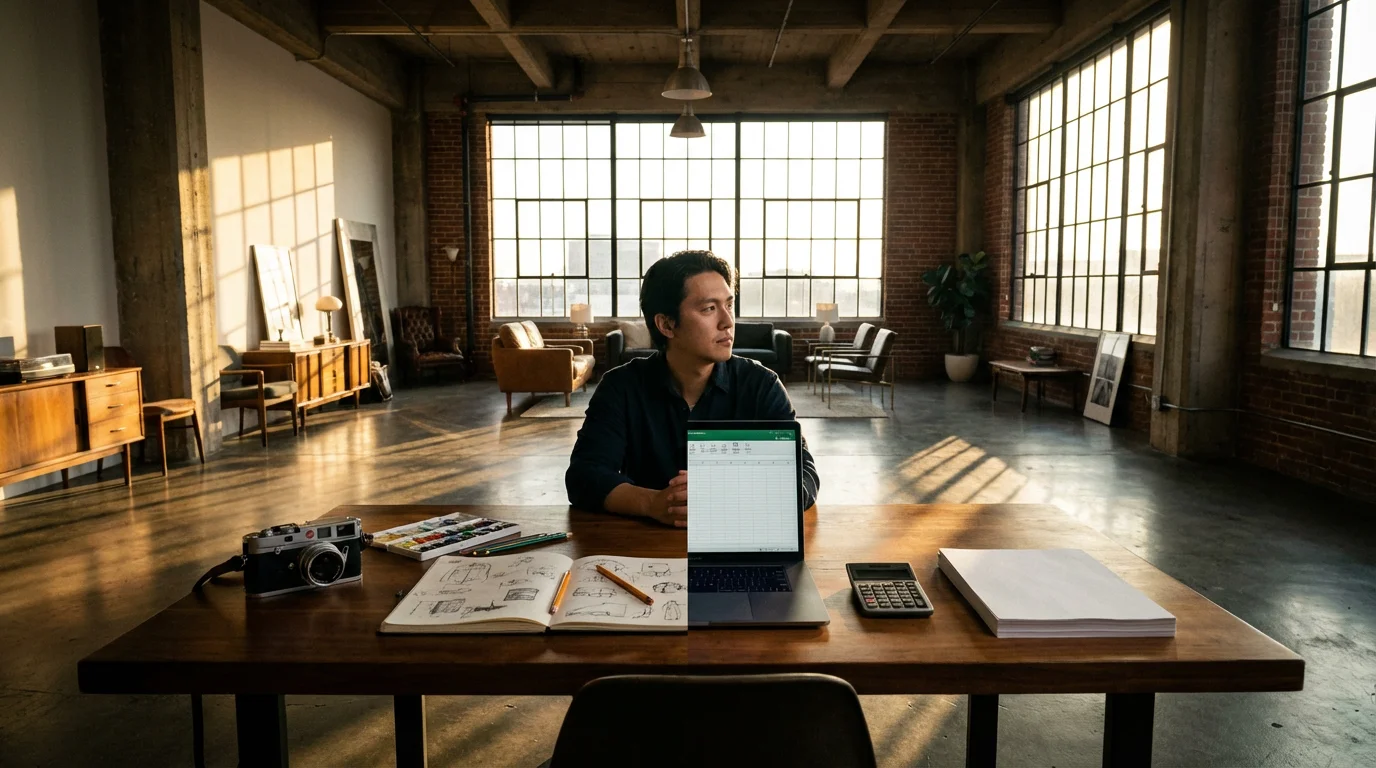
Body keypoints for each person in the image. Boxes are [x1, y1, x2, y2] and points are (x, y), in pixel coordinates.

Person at [565, 251, 820, 527]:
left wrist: (722, 494)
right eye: (709, 308)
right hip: (645, 546)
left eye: (729, 305)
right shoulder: (622, 387)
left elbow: (804, 475)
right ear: (666, 324)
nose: (728, 322)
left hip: (738, 539)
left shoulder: (761, 384)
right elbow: (584, 477)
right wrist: (653, 503)